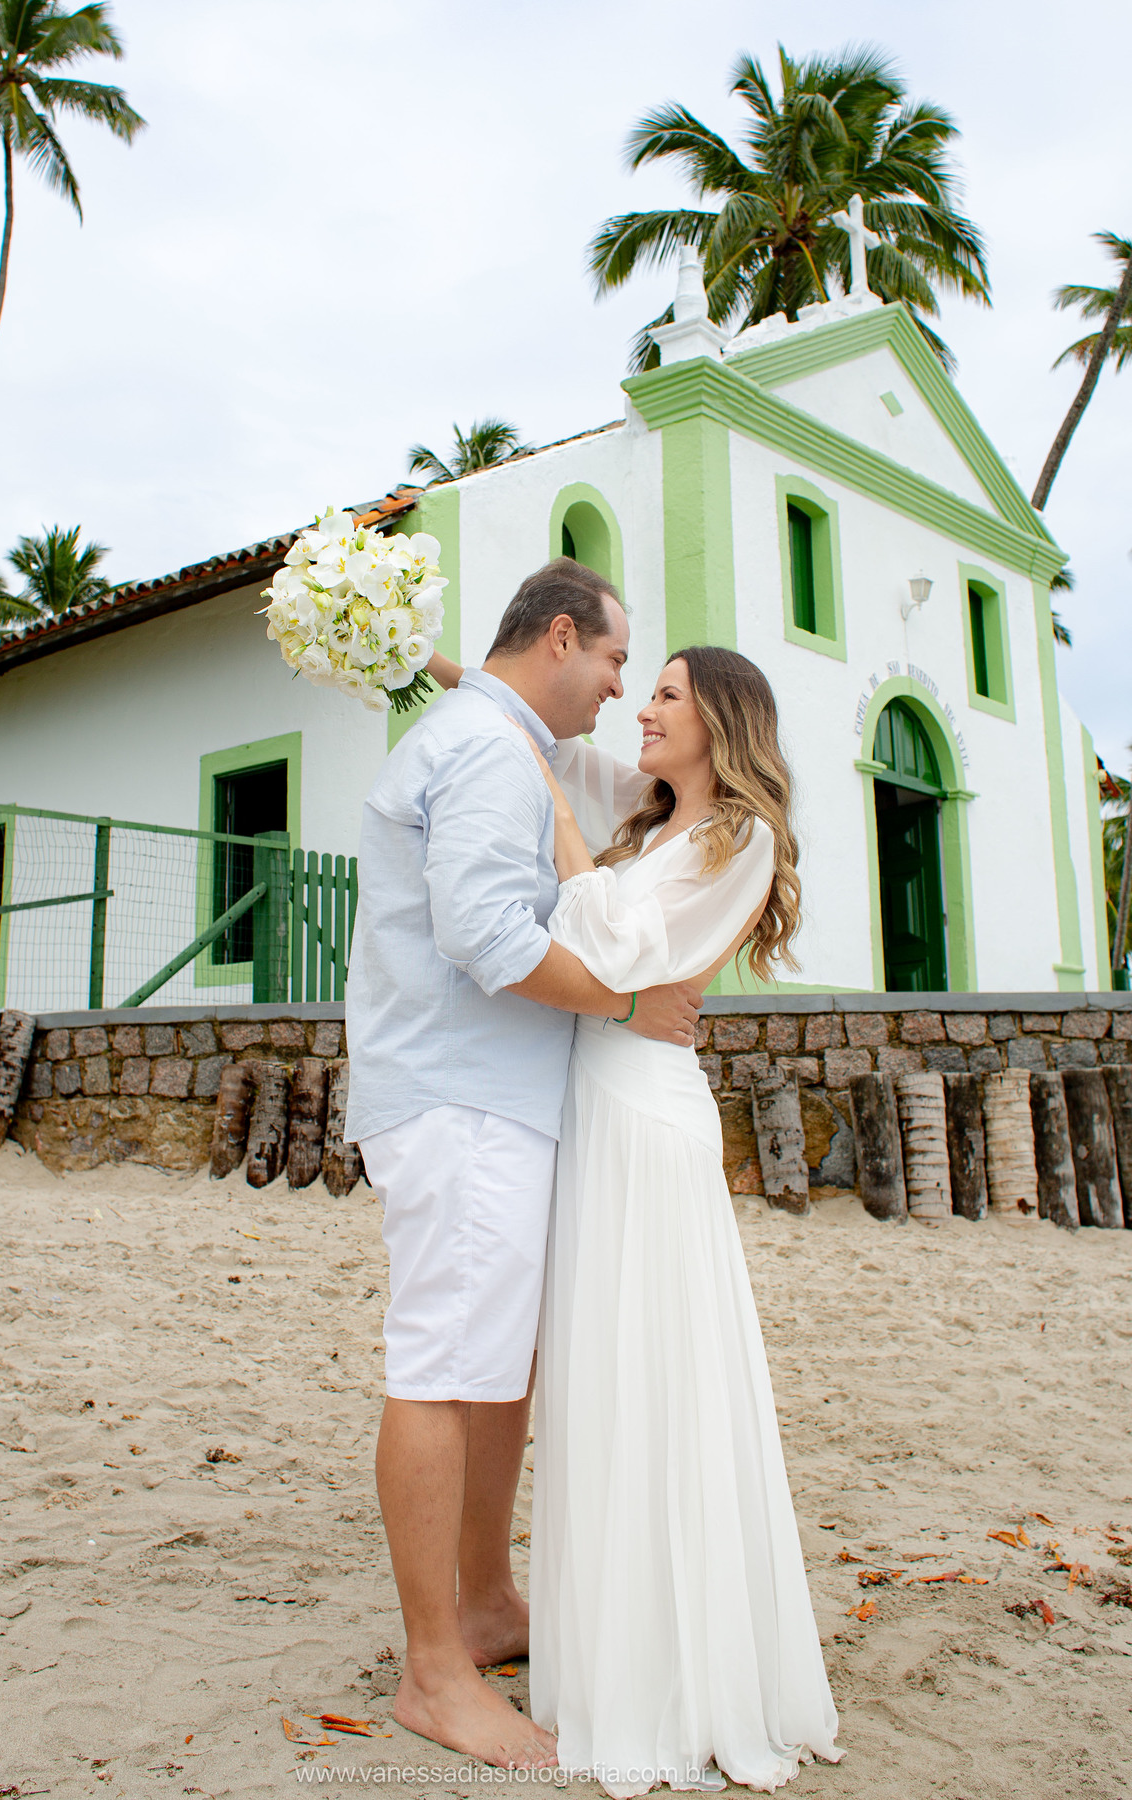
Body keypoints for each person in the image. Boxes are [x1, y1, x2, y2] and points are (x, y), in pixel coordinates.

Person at [344, 558, 703, 1772]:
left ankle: (488, 1605)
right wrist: (626, 999)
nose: (617, 688)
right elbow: (487, 934)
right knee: (446, 1363)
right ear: (561, 637)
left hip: (485, 1096)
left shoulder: (490, 732)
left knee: (495, 1362)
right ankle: (435, 1673)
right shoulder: (492, 752)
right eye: (613, 660)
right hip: (460, 1096)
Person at [513, 644, 843, 1795]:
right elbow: (528, 718)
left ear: (720, 722)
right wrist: (412, 648)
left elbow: (605, 934)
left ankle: (682, 1674)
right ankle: (617, 1649)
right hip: (593, 1099)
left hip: (649, 1117)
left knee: (661, 1376)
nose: (642, 710)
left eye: (664, 695)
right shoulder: (649, 821)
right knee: (601, 1378)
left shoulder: (737, 840)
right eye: (643, 688)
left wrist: (555, 814)